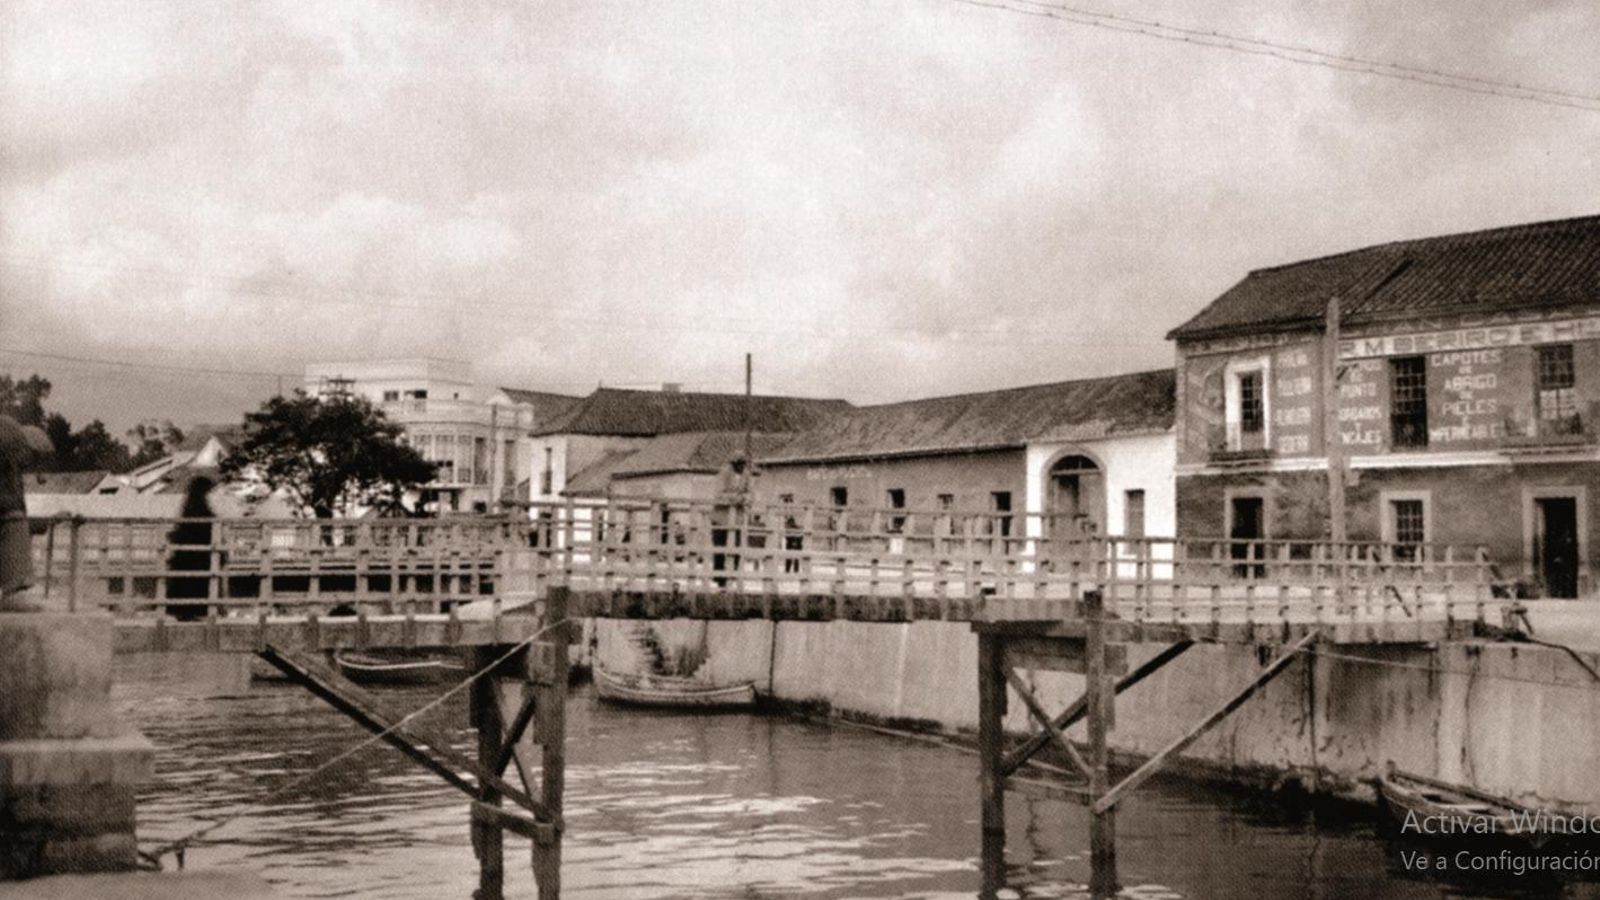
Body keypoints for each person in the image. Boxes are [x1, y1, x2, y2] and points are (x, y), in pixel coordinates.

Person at [1, 413, 53, 612]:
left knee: (16, 522)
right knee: (15, 521)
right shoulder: (8, 461)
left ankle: (15, 589)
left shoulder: (12, 471)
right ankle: (14, 589)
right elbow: (12, 508)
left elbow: (14, 507)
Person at [165, 475, 218, 621]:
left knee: (187, 582)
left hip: (187, 552)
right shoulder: (200, 506)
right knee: (196, 582)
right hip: (197, 553)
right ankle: (192, 611)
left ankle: (186, 612)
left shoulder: (189, 505)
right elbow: (205, 523)